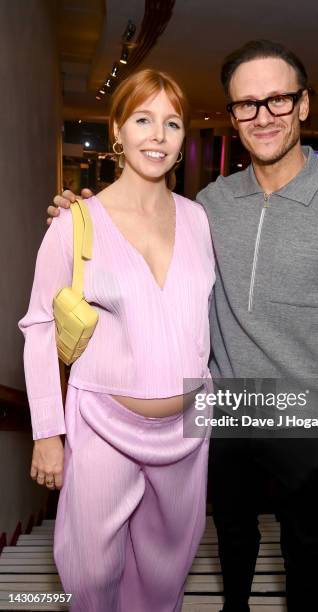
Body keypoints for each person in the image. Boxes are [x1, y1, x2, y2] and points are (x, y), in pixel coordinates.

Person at [48, 40, 318, 612]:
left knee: (307, 552)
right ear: (233, 116)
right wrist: (81, 212)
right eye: (246, 104)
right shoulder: (209, 203)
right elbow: (146, 230)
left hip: (308, 408)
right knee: (232, 539)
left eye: (277, 100)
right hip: (227, 404)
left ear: (304, 105)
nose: (263, 116)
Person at [19, 68, 215, 612]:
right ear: (117, 131)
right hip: (103, 422)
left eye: (172, 123)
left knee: (165, 572)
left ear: (182, 139)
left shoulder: (199, 220)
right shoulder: (74, 224)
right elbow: (38, 325)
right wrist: (47, 432)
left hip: (190, 429)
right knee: (90, 570)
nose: (158, 135)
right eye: (143, 120)